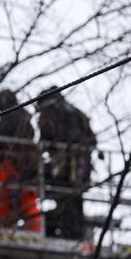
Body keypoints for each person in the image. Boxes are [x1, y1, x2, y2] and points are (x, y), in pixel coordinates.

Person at [37, 87, 96, 239]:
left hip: (64, 164)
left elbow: (46, 138)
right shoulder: (77, 112)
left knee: (64, 196)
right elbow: (92, 139)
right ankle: (75, 232)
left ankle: (68, 232)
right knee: (75, 197)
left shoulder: (48, 111)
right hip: (83, 163)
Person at [0, 90, 40, 231]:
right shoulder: (24, 117)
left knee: (4, 201)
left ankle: (2, 229)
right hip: (28, 168)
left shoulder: (9, 118)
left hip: (12, 165)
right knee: (28, 203)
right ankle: (34, 230)